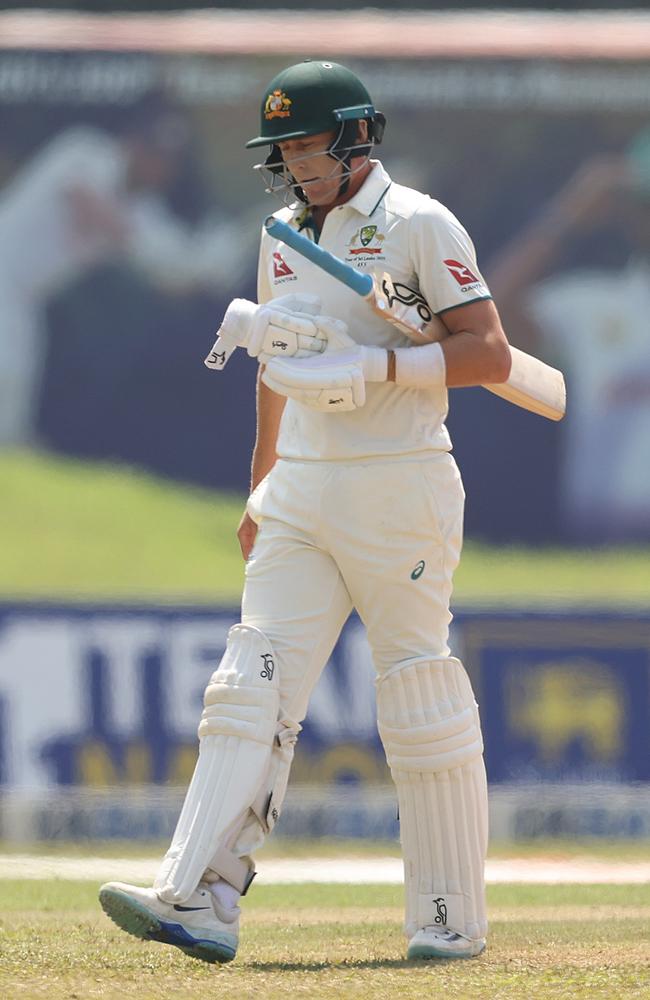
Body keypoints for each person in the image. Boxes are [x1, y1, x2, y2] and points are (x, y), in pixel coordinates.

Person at [99, 59, 510, 963]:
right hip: (301, 488)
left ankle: (448, 919)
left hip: (399, 481)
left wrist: (380, 368)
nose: (293, 159)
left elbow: (489, 354)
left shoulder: (419, 223)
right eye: (281, 145)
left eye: (306, 140)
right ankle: (199, 898)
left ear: (356, 134)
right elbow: (275, 362)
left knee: (416, 692)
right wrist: (261, 479)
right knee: (251, 685)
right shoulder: (282, 232)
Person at [0, 93, 254, 446]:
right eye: (153, 152)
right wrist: (136, 244)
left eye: (167, 160)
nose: (158, 166)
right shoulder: (84, 149)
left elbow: (175, 278)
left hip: (24, 301)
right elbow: (87, 205)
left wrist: (203, 269)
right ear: (132, 143)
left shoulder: (145, 214)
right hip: (3, 274)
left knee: (13, 395)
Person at [488, 134, 650, 540]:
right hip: (606, 535)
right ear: (629, 214)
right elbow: (483, 320)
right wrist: (565, 216)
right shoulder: (592, 301)